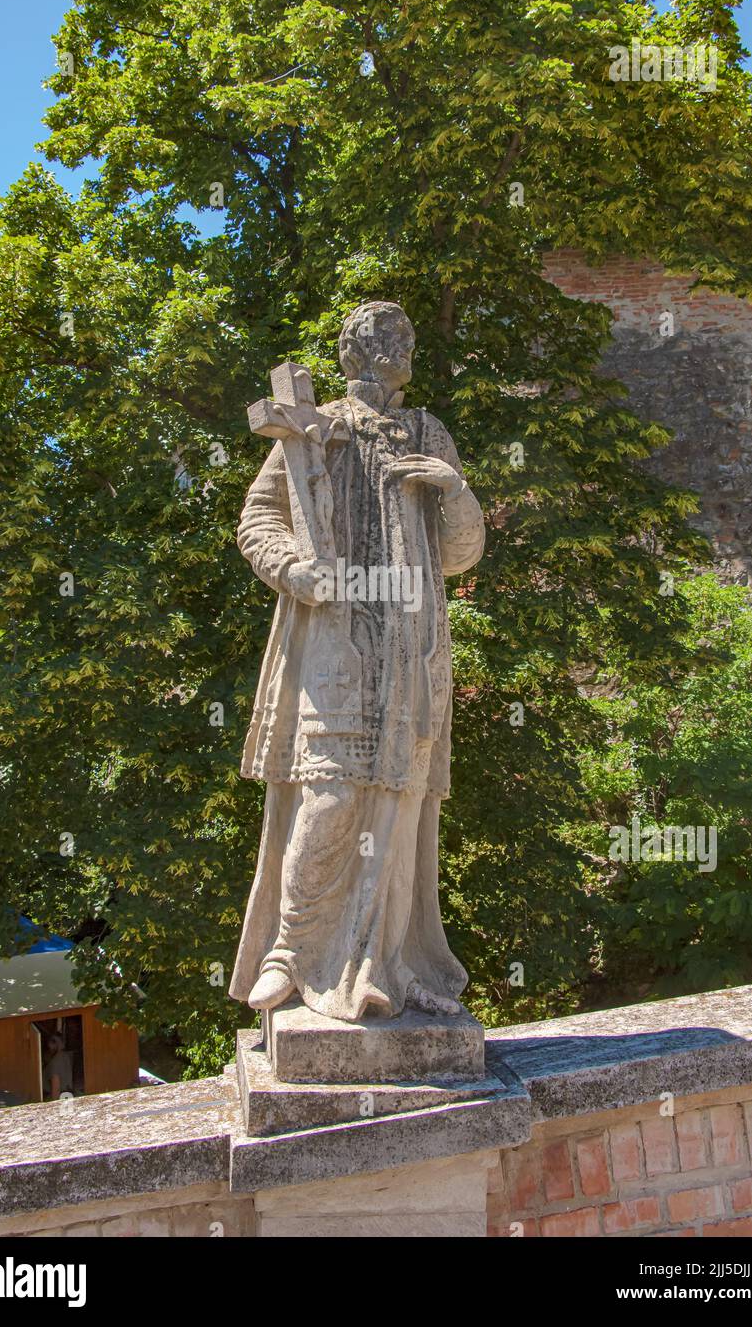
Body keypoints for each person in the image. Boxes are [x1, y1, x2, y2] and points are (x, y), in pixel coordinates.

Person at [229, 302, 485, 1022]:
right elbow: (259, 518)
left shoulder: (431, 434)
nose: (402, 347)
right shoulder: (314, 428)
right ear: (354, 352)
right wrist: (295, 570)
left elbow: (462, 556)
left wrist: (454, 489)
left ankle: (380, 964)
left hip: (412, 648)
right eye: (386, 337)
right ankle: (291, 952)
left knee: (396, 808)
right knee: (330, 795)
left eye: (406, 336)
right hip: (335, 645)